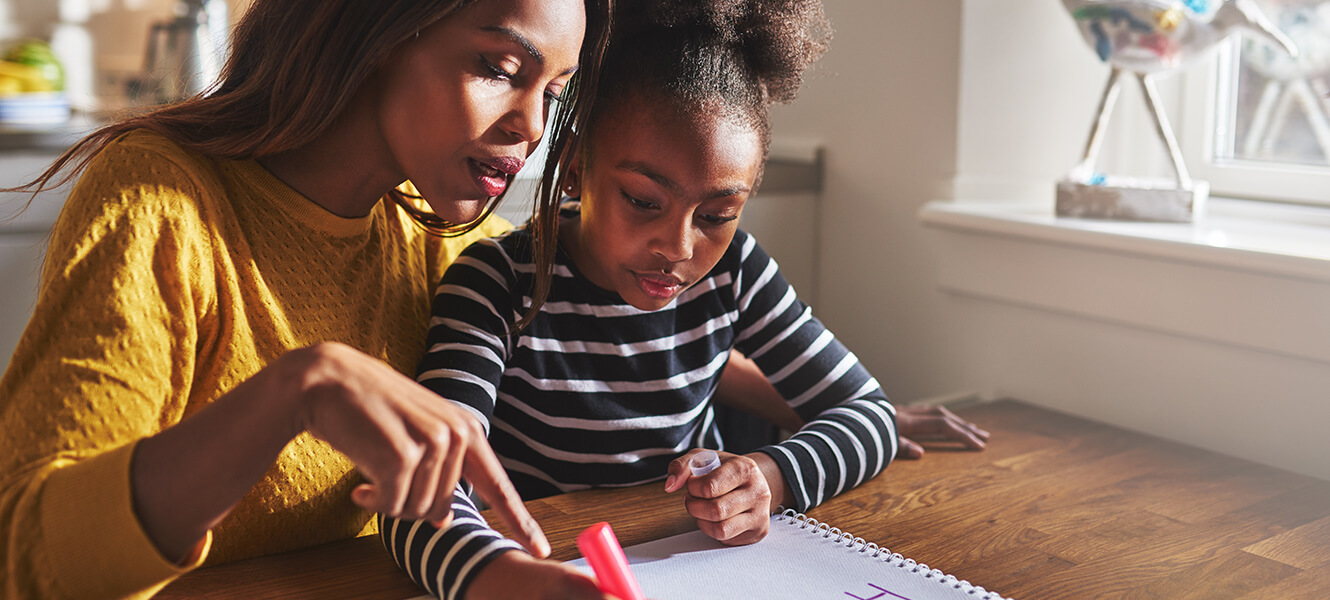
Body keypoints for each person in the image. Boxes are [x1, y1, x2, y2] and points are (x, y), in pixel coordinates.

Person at [0, 0, 612, 598]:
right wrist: (291, 394)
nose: (532, 126)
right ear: (378, 30)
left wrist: (707, 468)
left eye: (554, 94)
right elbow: (25, 558)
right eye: (501, 69)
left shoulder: (444, 244)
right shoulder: (162, 201)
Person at [380, 1, 989, 599]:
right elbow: (421, 490)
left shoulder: (736, 274)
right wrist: (501, 577)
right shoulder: (497, 281)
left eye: (718, 214)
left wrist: (769, 479)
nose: (677, 248)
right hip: (547, 561)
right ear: (572, 165)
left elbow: (869, 414)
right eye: (644, 201)